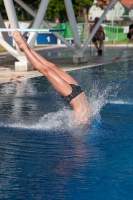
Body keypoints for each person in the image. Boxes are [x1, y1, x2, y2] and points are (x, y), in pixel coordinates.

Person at [13, 31, 93, 125]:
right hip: (78, 90)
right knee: (53, 67)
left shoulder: (81, 122)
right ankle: (27, 47)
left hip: (71, 95)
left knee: (47, 70)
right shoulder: (87, 121)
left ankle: (24, 48)